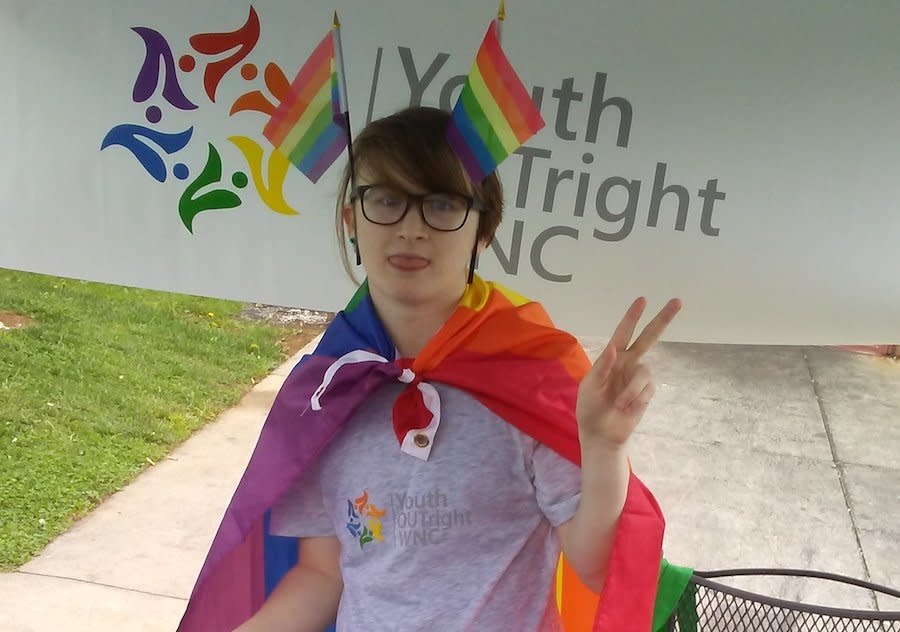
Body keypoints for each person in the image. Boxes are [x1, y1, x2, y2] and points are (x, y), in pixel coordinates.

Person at [181, 106, 681, 632]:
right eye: (387, 200)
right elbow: (321, 574)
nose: (411, 229)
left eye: (442, 204)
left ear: (482, 232)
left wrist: (605, 448)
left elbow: (597, 568)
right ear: (353, 219)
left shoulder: (530, 373)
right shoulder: (330, 390)